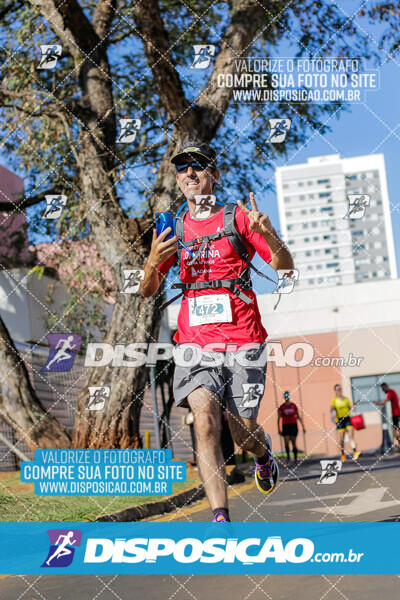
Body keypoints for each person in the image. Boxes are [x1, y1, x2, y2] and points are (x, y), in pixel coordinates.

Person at [140, 140, 294, 522]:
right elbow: (147, 290)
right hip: (195, 344)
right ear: (178, 179)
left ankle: (262, 454)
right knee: (205, 422)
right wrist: (152, 263)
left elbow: (284, 267)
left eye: (198, 166)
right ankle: (220, 520)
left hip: (243, 340)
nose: (189, 173)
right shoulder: (172, 227)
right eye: (182, 168)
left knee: (241, 431)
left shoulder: (238, 218)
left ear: (214, 174)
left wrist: (269, 233)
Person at [331, 384, 360, 461]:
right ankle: (342, 454)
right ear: (335, 391)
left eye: (340, 389)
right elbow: (332, 409)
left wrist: (355, 405)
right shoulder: (334, 400)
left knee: (351, 435)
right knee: (341, 439)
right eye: (338, 389)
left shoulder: (346, 399)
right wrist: (333, 415)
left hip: (347, 419)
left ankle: (355, 452)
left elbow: (350, 408)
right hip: (340, 420)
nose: (339, 390)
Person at [277, 391, 305, 466]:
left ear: (289, 396)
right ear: (284, 397)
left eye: (287, 395)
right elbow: (279, 418)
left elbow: (298, 416)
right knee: (286, 443)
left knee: (293, 443)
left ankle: (295, 459)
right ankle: (288, 459)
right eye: (285, 395)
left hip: (293, 425)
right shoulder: (281, 407)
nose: (286, 397)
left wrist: (303, 426)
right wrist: (278, 428)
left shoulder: (293, 405)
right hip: (285, 425)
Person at [375, 382, 400, 450]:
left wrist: (378, 403)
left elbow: (385, 401)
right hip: (394, 414)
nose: (383, 390)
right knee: (395, 431)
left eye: (383, 388)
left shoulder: (390, 392)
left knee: (396, 431)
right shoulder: (391, 392)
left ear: (386, 387)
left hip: (396, 414)